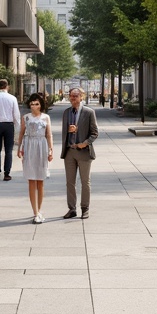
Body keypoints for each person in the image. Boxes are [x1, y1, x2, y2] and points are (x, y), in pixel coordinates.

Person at [60, 86, 98, 219]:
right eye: (70, 95)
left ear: (82, 97)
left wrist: (86, 142)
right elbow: (64, 132)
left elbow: (95, 133)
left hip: (83, 152)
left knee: (85, 181)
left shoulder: (89, 112)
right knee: (70, 182)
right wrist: (69, 131)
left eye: (75, 96)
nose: (72, 98)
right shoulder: (66, 113)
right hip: (69, 151)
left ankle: (85, 208)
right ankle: (72, 209)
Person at [17, 93, 54, 223]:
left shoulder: (46, 117)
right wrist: (19, 148)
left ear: (41, 105)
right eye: (32, 104)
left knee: (40, 180)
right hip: (29, 146)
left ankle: (39, 209)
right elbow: (21, 133)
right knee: (31, 179)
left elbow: (49, 135)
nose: (34, 106)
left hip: (42, 146)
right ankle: (35, 212)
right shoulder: (26, 117)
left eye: (36, 104)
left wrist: (51, 150)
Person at [0, 78, 20, 181]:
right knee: (8, 150)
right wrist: (18, 128)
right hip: (9, 125)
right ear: (7, 86)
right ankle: (7, 173)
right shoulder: (12, 98)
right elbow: (16, 114)